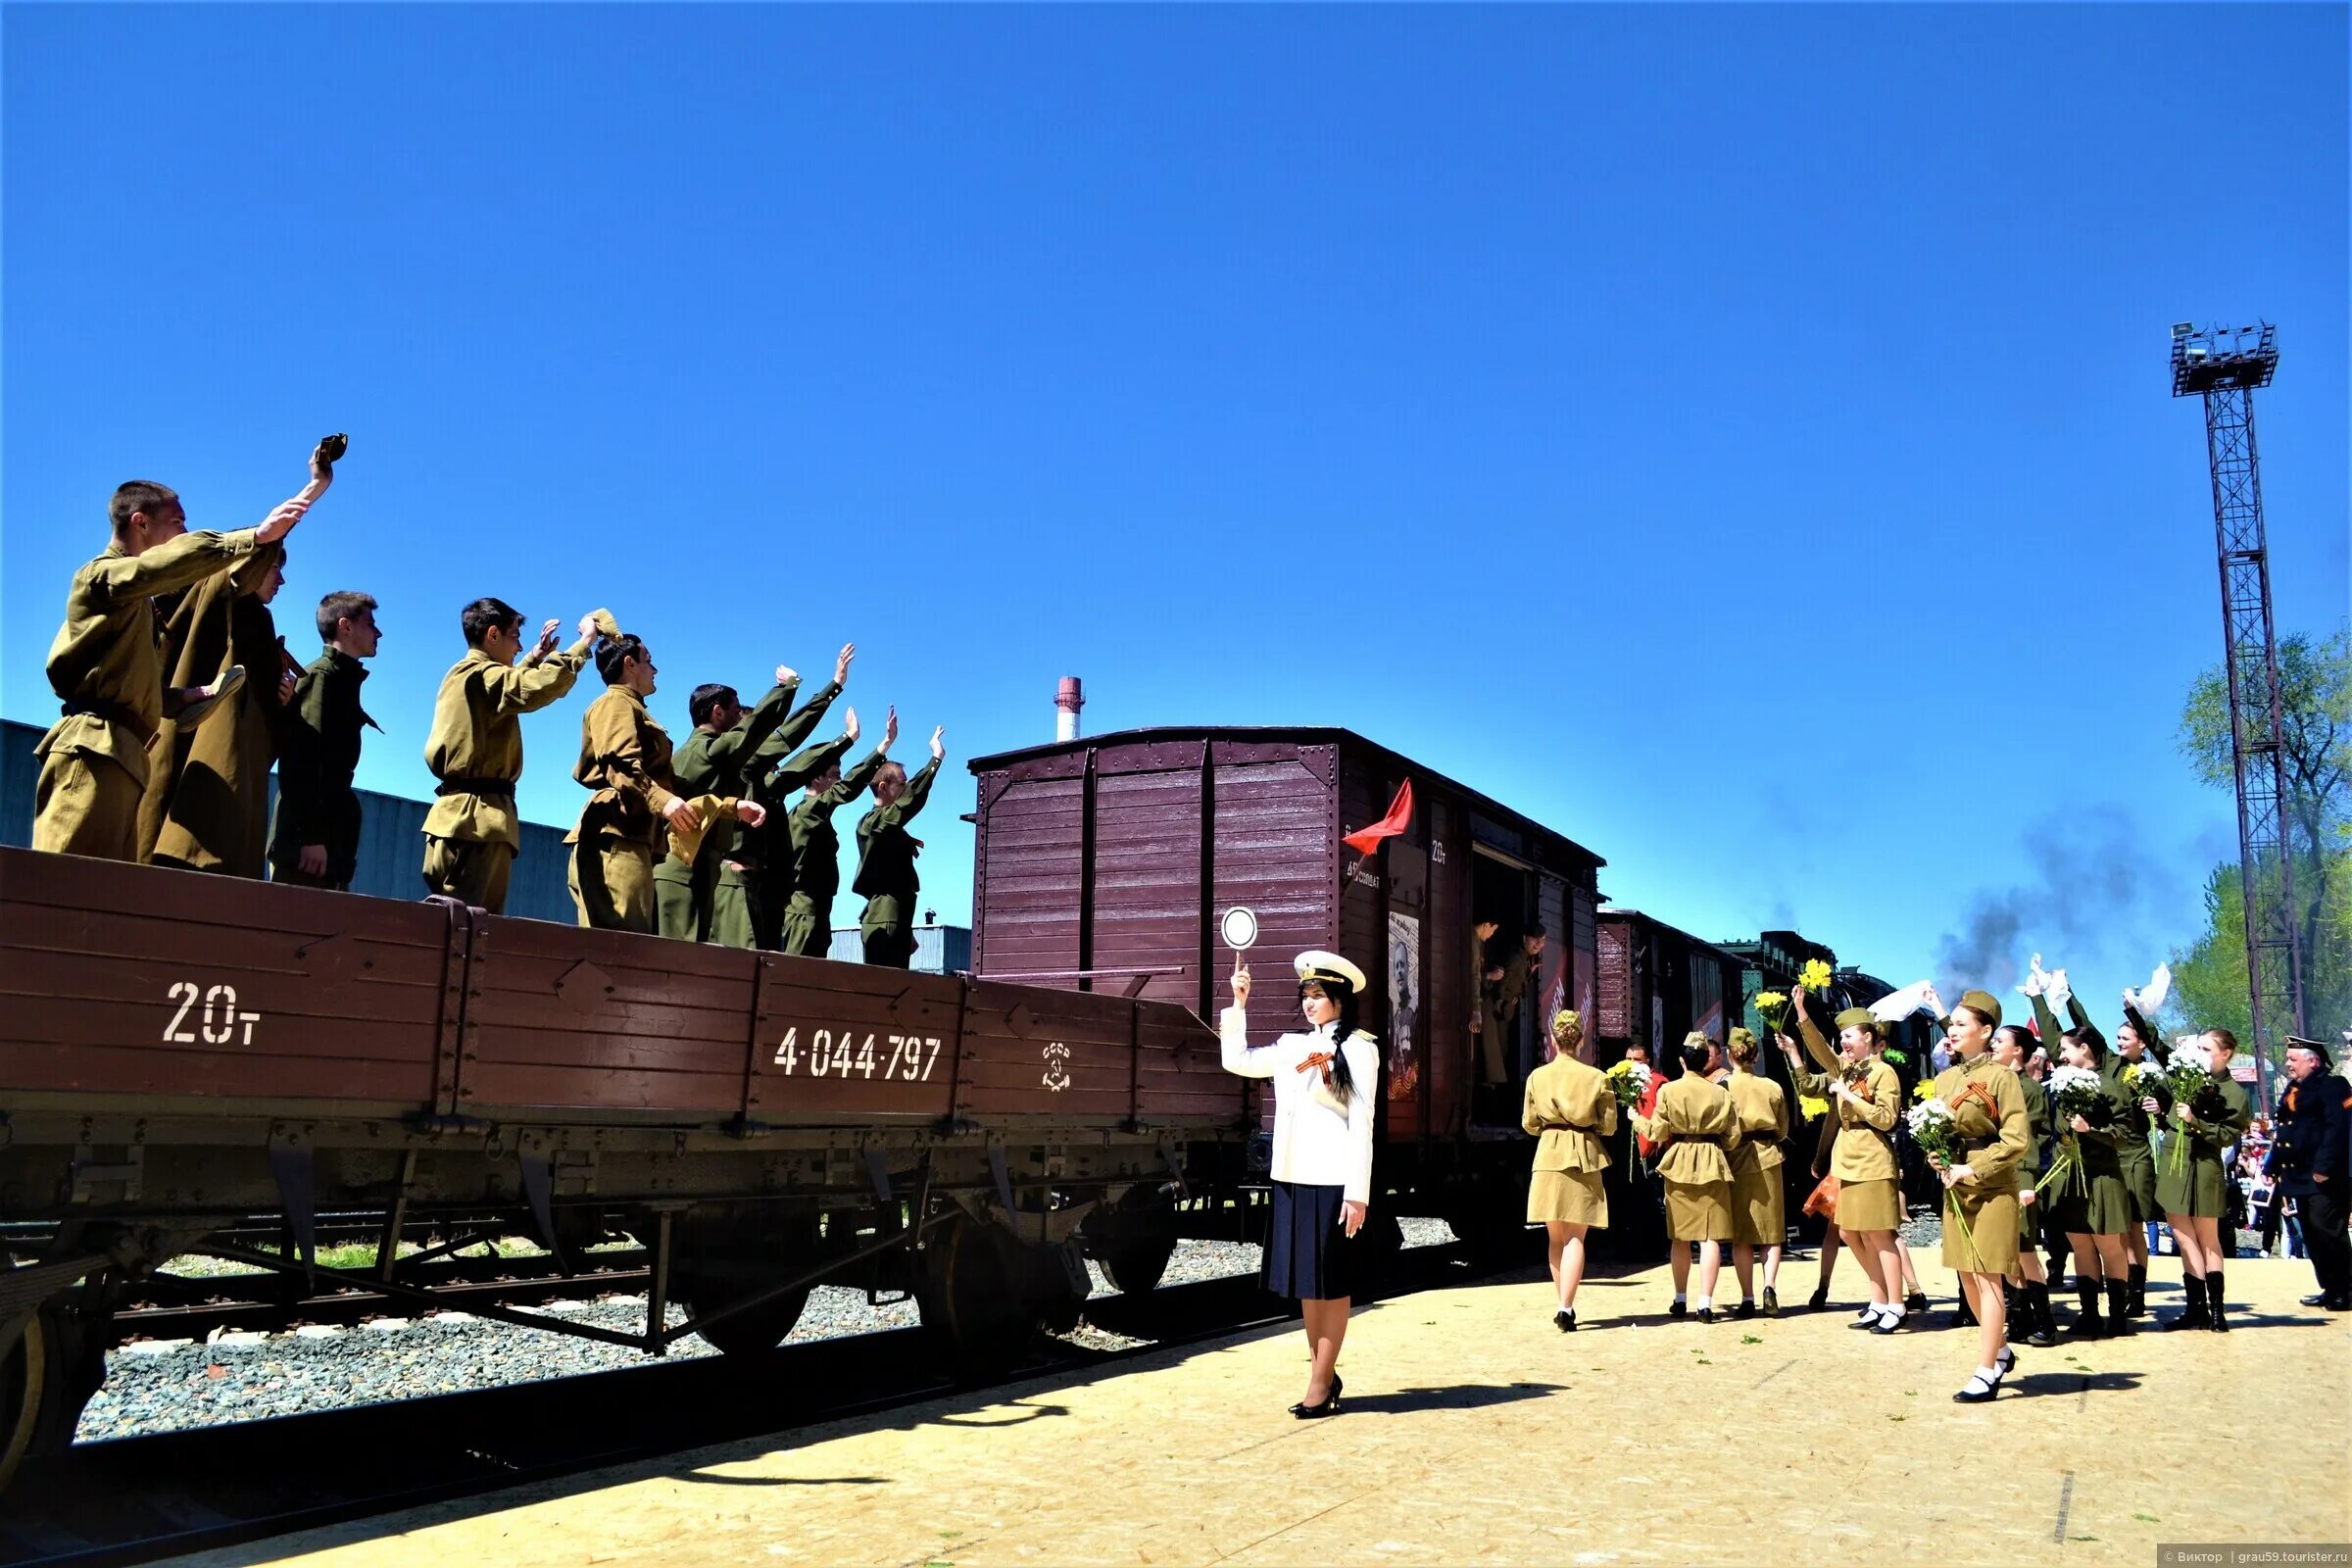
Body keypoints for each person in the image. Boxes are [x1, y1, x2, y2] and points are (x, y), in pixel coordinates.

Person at [33, 466, 316, 861]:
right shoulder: (100, 578)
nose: (183, 532)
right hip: (92, 748)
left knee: (107, 898)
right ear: (140, 522)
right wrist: (253, 538)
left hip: (124, 754)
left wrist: (187, 696)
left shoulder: (138, 604)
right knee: (62, 887)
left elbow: (133, 683)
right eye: (177, 521)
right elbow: (159, 568)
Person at [1221, 951, 1380, 1418]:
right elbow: (1237, 1060)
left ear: (1339, 1000)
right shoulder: (1292, 1046)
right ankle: (1322, 1375)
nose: (1310, 1004)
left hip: (1333, 1180)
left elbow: (1362, 1122)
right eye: (1306, 996)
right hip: (1292, 1177)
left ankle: (1319, 1382)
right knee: (1309, 1285)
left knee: (1333, 1282)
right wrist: (1239, 1004)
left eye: (1319, 996)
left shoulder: (1358, 1049)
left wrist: (1358, 1192)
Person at [567, 630, 762, 933]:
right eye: (649, 661)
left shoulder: (634, 708)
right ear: (630, 664)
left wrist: (730, 807)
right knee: (620, 945)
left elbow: (674, 786)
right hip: (617, 837)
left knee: (629, 946)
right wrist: (665, 802)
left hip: (632, 835)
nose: (655, 669)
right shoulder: (616, 704)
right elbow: (621, 766)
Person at [421, 602, 609, 911]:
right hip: (479, 822)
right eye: (514, 636)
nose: (520, 645)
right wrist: (584, 642)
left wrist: (534, 657)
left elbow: (505, 685)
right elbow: (532, 688)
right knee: (472, 932)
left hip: (453, 819)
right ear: (493, 634)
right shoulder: (484, 676)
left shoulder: (463, 674)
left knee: (446, 926)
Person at [139, 543, 298, 875]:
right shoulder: (223, 602)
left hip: (238, 785)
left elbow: (264, 725)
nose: (281, 580)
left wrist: (282, 699)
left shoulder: (258, 625)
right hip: (204, 781)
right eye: (273, 568)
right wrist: (287, 521)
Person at [1923, 988, 2031, 1402]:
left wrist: (1974, 1166)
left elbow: (2017, 1139)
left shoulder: (2003, 1078)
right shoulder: (1946, 1079)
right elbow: (1941, 1129)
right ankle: (2001, 1353)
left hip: (1993, 1188)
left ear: (1986, 1031)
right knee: (1965, 1276)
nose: (1952, 1030)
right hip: (1956, 1186)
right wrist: (1938, 1155)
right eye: (1951, 1023)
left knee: (1988, 1279)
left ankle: (1986, 1371)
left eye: (1961, 1024)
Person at [1783, 988, 1907, 1332]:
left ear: (1869, 1038)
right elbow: (1821, 1050)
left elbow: (1886, 1118)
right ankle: (1878, 1299)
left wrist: (1849, 1096)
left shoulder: (1883, 1073)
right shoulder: (1847, 1070)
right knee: (1852, 1233)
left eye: (1849, 1036)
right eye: (1842, 1037)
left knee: (1879, 1235)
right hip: (1847, 1162)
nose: (1844, 1042)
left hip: (1872, 1161)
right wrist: (1802, 1015)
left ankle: (1896, 1304)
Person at [660, 662, 805, 943]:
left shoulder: (681, 756)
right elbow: (757, 726)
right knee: (681, 962)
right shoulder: (712, 751)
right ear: (717, 712)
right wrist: (786, 688)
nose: (741, 716)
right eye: (736, 710)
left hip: (688, 865)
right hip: (689, 868)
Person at [2034, 985, 2136, 1339]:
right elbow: (2050, 1036)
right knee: (2080, 1245)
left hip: (2101, 1176)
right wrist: (2037, 997)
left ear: (2085, 1049)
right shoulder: (2063, 1080)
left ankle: (2118, 1316)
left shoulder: (2110, 1086)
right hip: (2069, 1175)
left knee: (2109, 1246)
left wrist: (2090, 1130)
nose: (2058, 1055)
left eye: (2065, 1050)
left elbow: (2124, 1135)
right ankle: (2089, 1313)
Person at [268, 591, 381, 889]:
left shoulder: (342, 680)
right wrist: (311, 836)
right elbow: (301, 758)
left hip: (330, 841)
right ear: (345, 626)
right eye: (370, 623)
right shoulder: (322, 678)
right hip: (308, 849)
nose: (378, 632)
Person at [2145, 1028, 2253, 1331]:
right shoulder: (2187, 1077)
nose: (2200, 1054)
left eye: (2207, 1049)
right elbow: (2156, 1047)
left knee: (2208, 1238)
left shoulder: (2234, 1093)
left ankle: (2216, 1311)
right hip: (2175, 1163)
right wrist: (2134, 1010)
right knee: (2182, 1236)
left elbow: (2227, 1136)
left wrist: (2196, 1121)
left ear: (2226, 1054)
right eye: (2199, 1048)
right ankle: (2196, 1309)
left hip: (2205, 1165)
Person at [1632, 1033, 1740, 1321]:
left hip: (1678, 1161)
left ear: (1681, 1060)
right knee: (1710, 1237)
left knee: (1679, 1236)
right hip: (1711, 1161)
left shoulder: (1669, 1091)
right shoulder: (1721, 1092)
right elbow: (1732, 1137)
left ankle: (1680, 1299)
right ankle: (1705, 1304)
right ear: (1707, 1061)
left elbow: (1657, 1132)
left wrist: (1635, 1118)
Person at [1522, 1008, 1615, 1330]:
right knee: (1577, 1235)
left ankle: (1560, 1300)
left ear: (1553, 1040)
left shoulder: (1537, 1076)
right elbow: (1610, 1125)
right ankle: (1566, 1306)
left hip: (1548, 1155)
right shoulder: (1597, 1078)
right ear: (1582, 1040)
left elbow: (1529, 1124)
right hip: (1584, 1155)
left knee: (1555, 1236)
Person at [779, 709, 893, 956]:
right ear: (816, 779)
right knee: (794, 981)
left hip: (816, 911)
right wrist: (879, 746)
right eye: (833, 777)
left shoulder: (816, 814)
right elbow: (848, 788)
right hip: (803, 913)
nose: (837, 783)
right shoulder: (808, 810)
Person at [2266, 1036, 2350, 1311]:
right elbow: (2286, 1132)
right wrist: (2271, 1165)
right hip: (2297, 1175)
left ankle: (2346, 1290)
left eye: (2293, 1059)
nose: (2287, 1064)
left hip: (2322, 1175)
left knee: (2329, 1233)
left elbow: (2338, 1128)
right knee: (2312, 1236)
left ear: (2312, 1061)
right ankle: (2329, 1287)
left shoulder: (2333, 1086)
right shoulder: (2294, 1089)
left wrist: (2324, 1168)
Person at [852, 727, 944, 967]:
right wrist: (935, 760)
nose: (905, 790)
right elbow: (906, 806)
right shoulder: (872, 823)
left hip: (895, 918)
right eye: (902, 784)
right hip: (885, 919)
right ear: (883, 786)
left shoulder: (888, 827)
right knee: (883, 990)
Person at [1992, 1022, 2059, 1347]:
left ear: (2018, 1050)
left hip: (2019, 1177)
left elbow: (2030, 1142)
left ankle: (2045, 1321)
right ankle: (2019, 1320)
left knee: (2024, 1250)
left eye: (1999, 1041)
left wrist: (2027, 1180)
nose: (1993, 1045)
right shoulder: (1998, 1082)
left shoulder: (2028, 1091)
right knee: (2007, 1251)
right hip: (1997, 1176)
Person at [1723, 1027, 1788, 1316]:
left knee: (1742, 1234)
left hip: (1736, 1159)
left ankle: (1747, 1297)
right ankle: (1769, 1286)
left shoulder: (1723, 1087)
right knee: (1771, 1232)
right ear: (1757, 1055)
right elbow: (1783, 1128)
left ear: (1728, 1055)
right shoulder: (1773, 1087)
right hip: (1768, 1157)